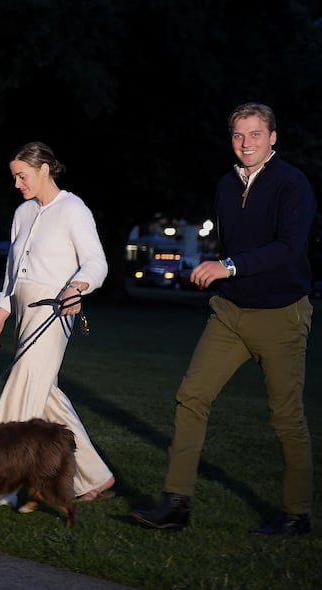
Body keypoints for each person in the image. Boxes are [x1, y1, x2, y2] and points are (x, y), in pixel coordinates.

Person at [133, 103, 316, 535]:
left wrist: (228, 266)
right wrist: (216, 268)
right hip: (230, 313)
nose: (246, 143)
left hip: (281, 315)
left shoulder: (293, 184)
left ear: (273, 137)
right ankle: (176, 503)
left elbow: (288, 248)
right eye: (238, 135)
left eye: (255, 134)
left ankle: (296, 515)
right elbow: (234, 245)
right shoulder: (225, 185)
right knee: (191, 395)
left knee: (285, 416)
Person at [0, 141, 115, 505]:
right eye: (14, 177)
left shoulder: (74, 209)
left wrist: (77, 286)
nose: (17, 184)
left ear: (44, 170)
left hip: (55, 310)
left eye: (21, 176)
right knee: (46, 396)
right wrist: (1, 312)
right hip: (22, 309)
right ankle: (93, 476)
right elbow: (13, 271)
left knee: (23, 383)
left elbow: (97, 263)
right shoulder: (23, 213)